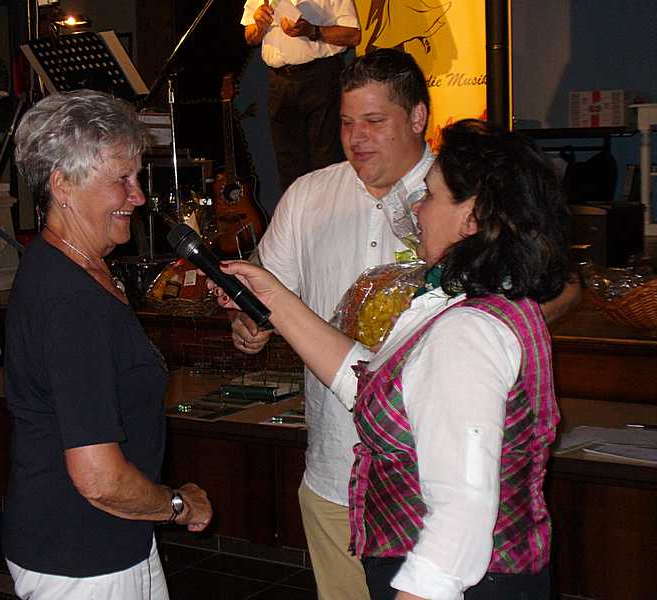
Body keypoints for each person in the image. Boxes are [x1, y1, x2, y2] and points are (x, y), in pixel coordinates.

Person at [214, 118, 571, 599]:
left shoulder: (466, 332)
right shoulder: (475, 301)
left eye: (431, 195)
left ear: (471, 219)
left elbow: (461, 514)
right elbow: (368, 382)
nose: (417, 208)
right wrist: (273, 297)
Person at [233, 47, 434, 600]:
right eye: (347, 123)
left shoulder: (454, 196)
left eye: (374, 121)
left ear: (417, 117)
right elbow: (265, 292)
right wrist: (249, 323)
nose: (356, 138)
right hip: (332, 472)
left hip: (427, 479)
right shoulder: (309, 194)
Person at [2, 89, 212, 600]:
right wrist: (177, 505)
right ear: (63, 185)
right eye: (122, 179)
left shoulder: (72, 267)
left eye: (136, 178)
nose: (137, 197)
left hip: (104, 541)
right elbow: (99, 479)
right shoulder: (72, 299)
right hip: (83, 557)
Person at [241, 0, 361, 192]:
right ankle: (296, 211)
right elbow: (250, 37)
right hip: (279, 82)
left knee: (326, 162)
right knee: (289, 166)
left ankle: (329, 211)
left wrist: (312, 31)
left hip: (320, 78)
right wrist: (259, 27)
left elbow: (353, 35)